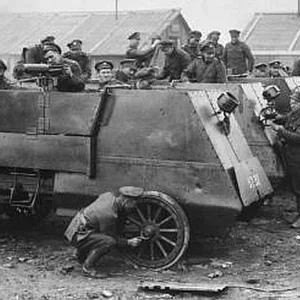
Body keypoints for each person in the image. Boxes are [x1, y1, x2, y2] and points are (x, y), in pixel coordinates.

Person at [64, 187, 143, 278]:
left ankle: (80, 254)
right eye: (133, 204)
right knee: (108, 242)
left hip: (75, 227)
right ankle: (87, 268)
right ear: (125, 201)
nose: (134, 207)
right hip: (77, 235)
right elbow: (112, 237)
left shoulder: (108, 196)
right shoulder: (109, 215)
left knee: (97, 231)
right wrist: (128, 242)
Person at [269, 87, 300, 228]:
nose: (292, 104)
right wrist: (275, 117)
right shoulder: (296, 113)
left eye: (295, 101)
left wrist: (280, 131)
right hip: (293, 155)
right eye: (291, 100)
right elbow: (287, 118)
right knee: (295, 186)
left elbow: (298, 138)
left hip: (297, 155)